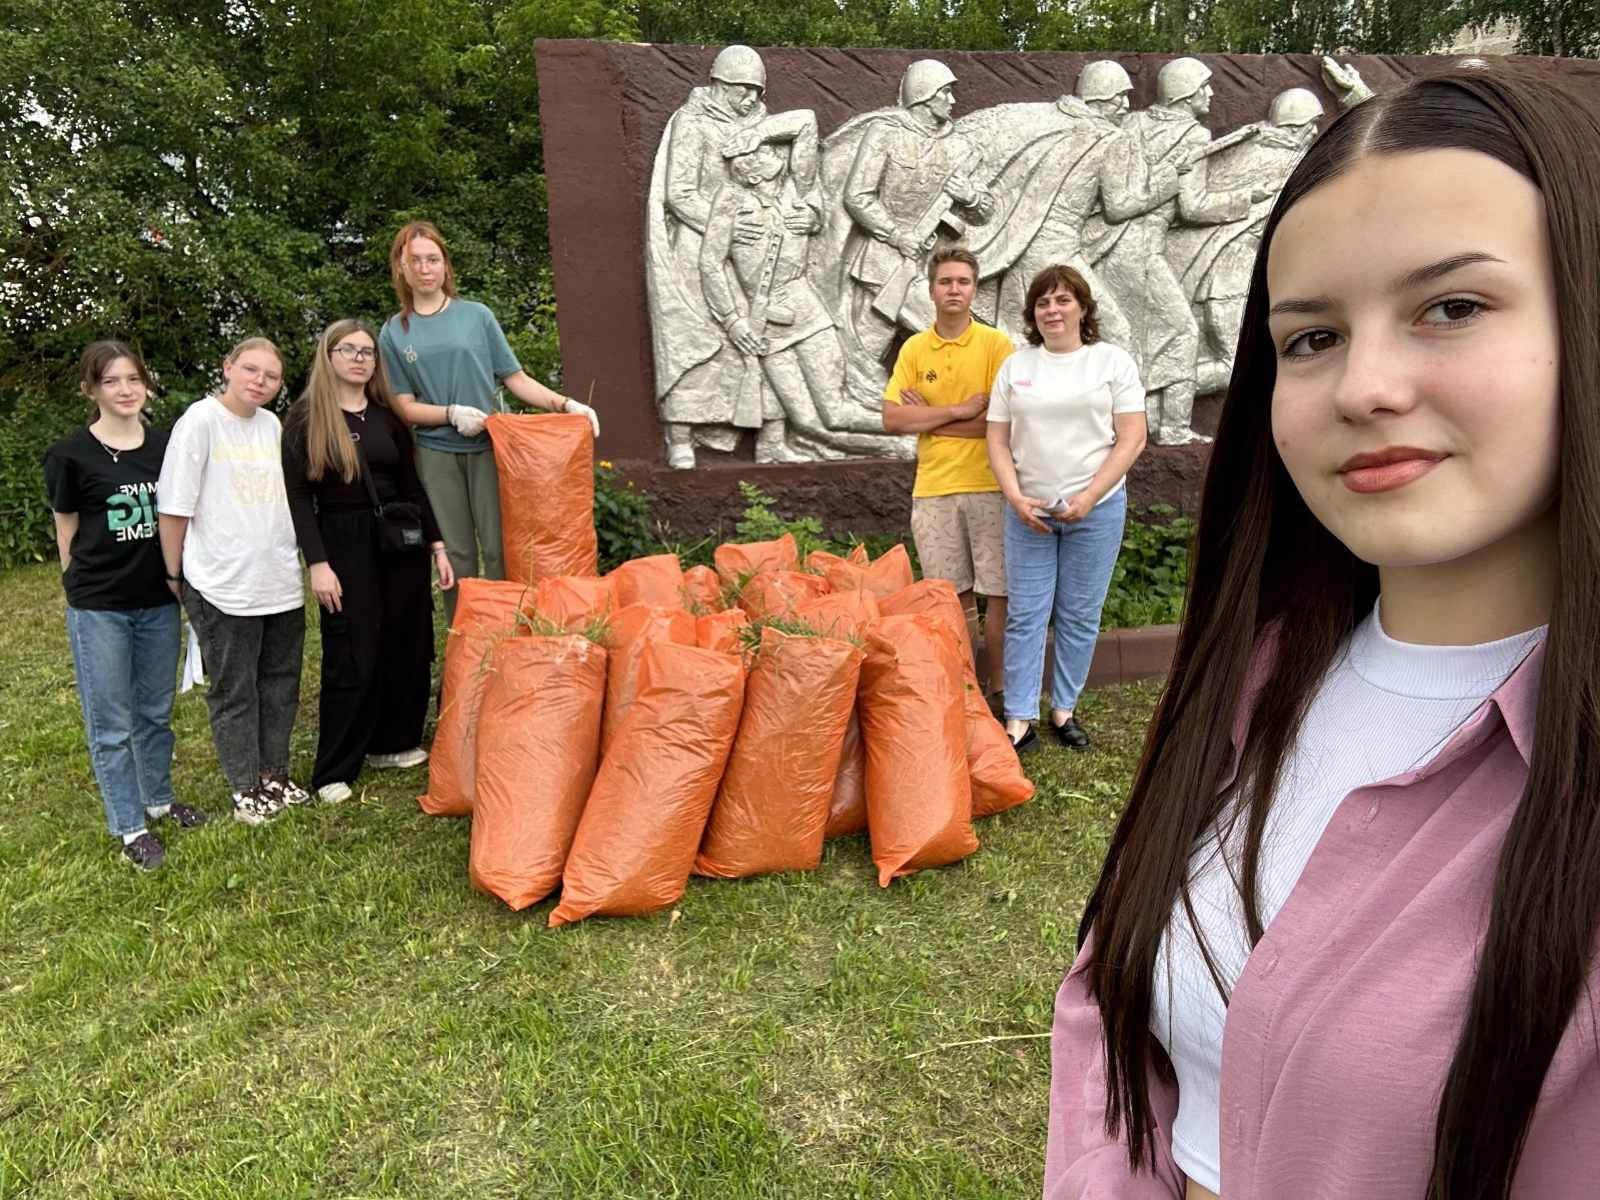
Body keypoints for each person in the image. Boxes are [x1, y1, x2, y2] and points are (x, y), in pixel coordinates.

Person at [1046, 67, 1600, 1199]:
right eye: (1309, 338)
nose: (1363, 386)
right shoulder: (1247, 683)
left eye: (1451, 307)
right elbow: (1109, 1029)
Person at [377, 220, 600, 622]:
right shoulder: (394, 332)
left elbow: (515, 378)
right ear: (401, 268)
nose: (425, 269)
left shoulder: (476, 316)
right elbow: (404, 407)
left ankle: (509, 636)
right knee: (456, 552)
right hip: (436, 454)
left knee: (501, 548)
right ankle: (468, 643)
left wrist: (567, 405)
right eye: (416, 261)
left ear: (446, 265)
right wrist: (450, 413)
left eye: (433, 259)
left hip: (490, 449)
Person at [43, 341, 207, 869]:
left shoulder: (166, 447)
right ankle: (129, 826)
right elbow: (65, 524)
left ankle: (158, 801)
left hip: (158, 598)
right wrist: (77, 583)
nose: (125, 389)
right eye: (112, 381)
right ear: (92, 389)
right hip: (101, 606)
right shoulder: (70, 454)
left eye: (133, 379)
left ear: (146, 384)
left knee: (155, 712)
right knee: (111, 722)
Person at [282, 320, 455, 804]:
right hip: (343, 542)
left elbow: (412, 485)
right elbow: (298, 498)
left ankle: (393, 742)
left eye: (368, 352)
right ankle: (334, 768)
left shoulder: (387, 416)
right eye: (349, 350)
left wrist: (438, 546)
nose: (360, 359)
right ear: (329, 356)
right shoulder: (305, 419)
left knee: (408, 638)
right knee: (352, 649)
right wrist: (317, 563)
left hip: (400, 540)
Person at [986, 265, 1146, 753]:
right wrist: (1015, 497)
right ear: (1033, 313)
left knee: (1079, 614)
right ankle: (1019, 718)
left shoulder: (1111, 362)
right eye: (1042, 303)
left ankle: (1064, 709)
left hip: (1095, 511)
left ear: (1082, 307)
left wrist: (1090, 497)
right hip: (1028, 511)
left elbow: (1132, 437)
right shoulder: (1017, 367)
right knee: (1026, 615)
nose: (1052, 310)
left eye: (1062, 300)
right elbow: (996, 437)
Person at [157, 337, 307, 825]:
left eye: (271, 375)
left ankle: (274, 775)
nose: (259, 381)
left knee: (280, 682)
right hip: (222, 582)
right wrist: (174, 573)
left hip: (279, 579)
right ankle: (245, 789)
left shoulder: (271, 425)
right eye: (250, 370)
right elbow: (175, 506)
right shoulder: (199, 422)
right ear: (228, 368)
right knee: (234, 688)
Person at [883, 246, 1011, 702]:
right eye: (945, 281)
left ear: (975, 288)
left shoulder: (997, 345)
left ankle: (1001, 690)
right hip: (934, 490)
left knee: (999, 594)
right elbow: (893, 420)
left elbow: (1001, 423)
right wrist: (958, 410)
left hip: (990, 485)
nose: (953, 289)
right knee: (950, 597)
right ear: (931, 289)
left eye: (962, 281)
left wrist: (931, 417)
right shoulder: (915, 348)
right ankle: (966, 692)